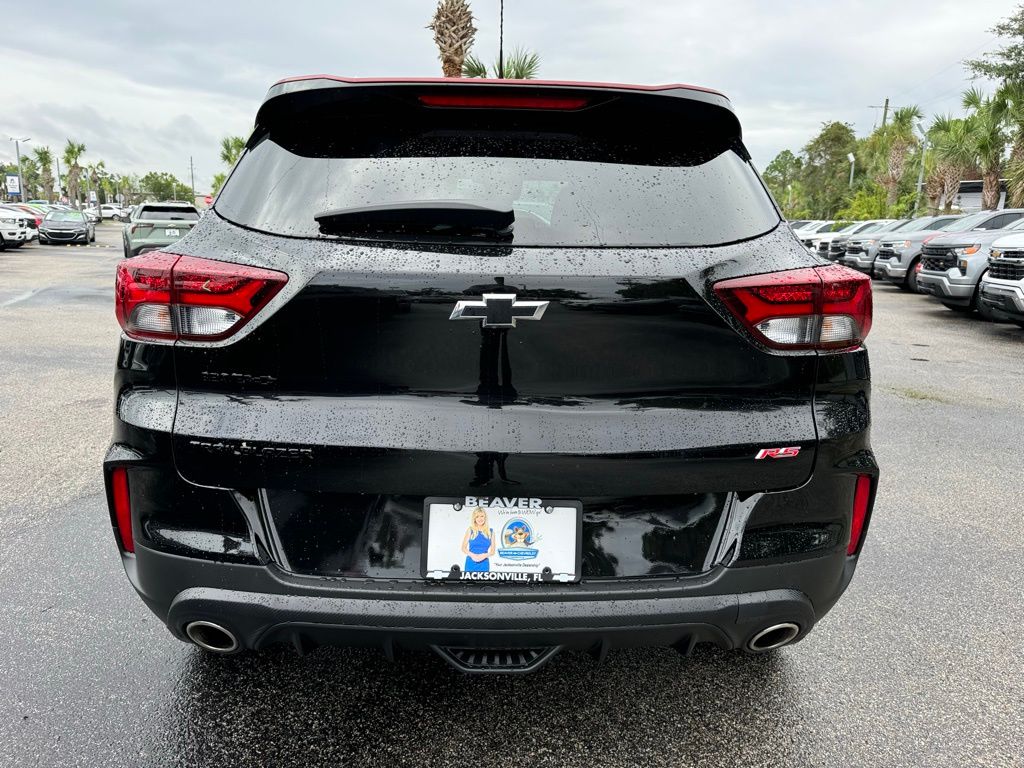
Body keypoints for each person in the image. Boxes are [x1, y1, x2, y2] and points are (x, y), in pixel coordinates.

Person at [460, 507, 494, 572]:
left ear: (485, 518)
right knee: (469, 582)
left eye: (482, 516)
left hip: (484, 563)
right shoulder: (470, 530)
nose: (480, 519)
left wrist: (483, 556)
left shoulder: (491, 532)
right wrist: (474, 556)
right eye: (477, 516)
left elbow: (492, 551)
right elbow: (463, 548)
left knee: (483, 582)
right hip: (471, 562)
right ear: (474, 519)